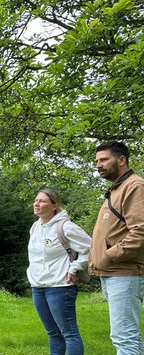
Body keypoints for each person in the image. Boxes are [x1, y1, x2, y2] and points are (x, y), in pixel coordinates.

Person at [91, 140, 144, 354]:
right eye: (96, 161)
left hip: (124, 272)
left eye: (104, 159)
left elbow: (140, 232)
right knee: (129, 338)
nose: (98, 165)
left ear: (122, 160)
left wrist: (108, 255)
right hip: (114, 272)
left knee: (124, 338)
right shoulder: (116, 189)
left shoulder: (134, 186)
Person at [28, 188, 90, 355]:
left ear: (54, 205)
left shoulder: (66, 227)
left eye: (42, 201)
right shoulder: (35, 227)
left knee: (69, 333)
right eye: (36, 200)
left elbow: (90, 248)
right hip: (38, 287)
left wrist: (75, 268)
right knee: (53, 334)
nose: (36, 203)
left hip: (60, 287)